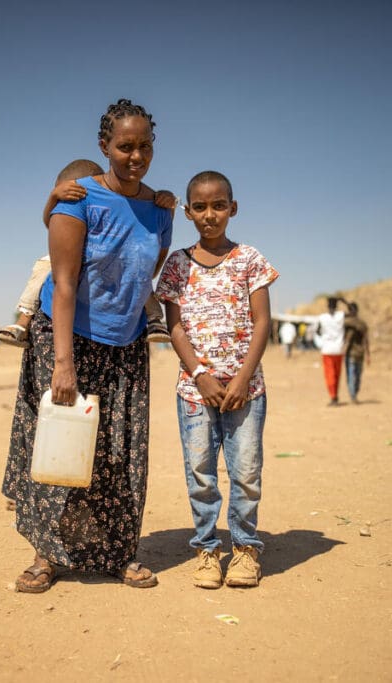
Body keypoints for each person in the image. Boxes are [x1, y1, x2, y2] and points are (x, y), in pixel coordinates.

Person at [2, 98, 172, 593]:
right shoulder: (78, 199)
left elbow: (143, 276)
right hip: (67, 337)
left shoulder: (161, 212)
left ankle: (118, 553)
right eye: (125, 147)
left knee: (120, 453)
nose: (135, 156)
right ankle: (44, 557)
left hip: (126, 346)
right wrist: (63, 364)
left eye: (144, 146)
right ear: (105, 147)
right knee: (62, 445)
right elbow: (66, 283)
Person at [156, 170, 278, 589]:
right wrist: (201, 374)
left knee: (245, 471)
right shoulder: (177, 264)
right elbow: (174, 328)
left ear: (233, 208)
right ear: (188, 212)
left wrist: (243, 377)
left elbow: (263, 322)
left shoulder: (250, 259)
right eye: (201, 207)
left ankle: (245, 549)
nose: (210, 215)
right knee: (201, 471)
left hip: (247, 390)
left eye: (219, 205)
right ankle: (207, 551)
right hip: (195, 391)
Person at [0, 159, 176, 349]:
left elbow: (150, 251)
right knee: (44, 265)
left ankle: (155, 320)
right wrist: (54, 198)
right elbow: (51, 224)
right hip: (70, 263)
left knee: (136, 271)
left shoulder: (107, 206)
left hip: (111, 266)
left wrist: (167, 206)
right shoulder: (65, 207)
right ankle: (23, 322)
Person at [316, 297, 346, 405]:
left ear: (328, 306)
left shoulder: (323, 317)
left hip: (327, 350)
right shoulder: (341, 315)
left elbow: (318, 331)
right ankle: (336, 395)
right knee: (337, 374)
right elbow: (353, 311)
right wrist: (344, 300)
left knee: (330, 374)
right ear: (336, 306)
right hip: (339, 349)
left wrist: (325, 335)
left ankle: (333, 397)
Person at [342, 301, 371, 404]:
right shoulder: (362, 323)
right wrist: (368, 354)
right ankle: (354, 394)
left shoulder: (347, 323)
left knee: (351, 376)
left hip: (352, 354)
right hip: (359, 354)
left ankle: (353, 395)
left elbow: (348, 339)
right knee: (357, 376)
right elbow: (366, 340)